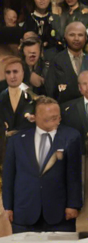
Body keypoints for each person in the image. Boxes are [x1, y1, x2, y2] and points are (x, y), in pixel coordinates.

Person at [2, 96, 82, 232]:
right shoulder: (16, 140)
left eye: (56, 117)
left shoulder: (71, 136)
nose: (54, 121)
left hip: (59, 213)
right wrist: (8, 207)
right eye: (48, 118)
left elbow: (74, 175)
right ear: (34, 117)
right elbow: (9, 176)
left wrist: (73, 205)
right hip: (24, 212)